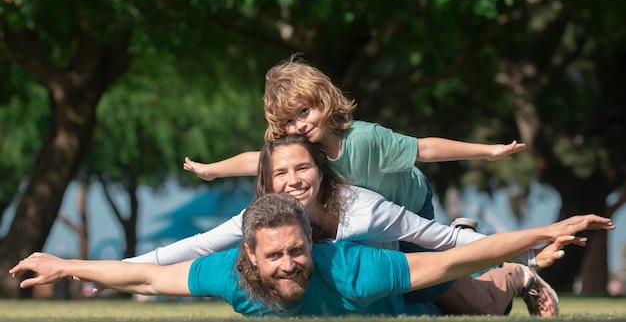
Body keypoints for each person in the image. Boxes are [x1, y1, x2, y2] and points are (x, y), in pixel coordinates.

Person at [130, 136, 554, 315]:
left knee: (480, 307)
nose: (293, 180)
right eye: (281, 173)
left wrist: (526, 252)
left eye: (303, 168)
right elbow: (195, 247)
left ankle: (517, 277)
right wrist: (121, 269)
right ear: (267, 181)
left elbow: (439, 238)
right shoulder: (261, 220)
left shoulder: (363, 208)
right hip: (371, 292)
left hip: (408, 259)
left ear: (321, 170)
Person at [10, 193, 613, 317]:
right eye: (275, 257)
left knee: (483, 303)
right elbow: (143, 273)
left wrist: (540, 232)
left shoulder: (348, 266)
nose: (290, 263)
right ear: (249, 255)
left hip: (404, 288)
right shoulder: (231, 276)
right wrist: (63, 265)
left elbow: (454, 260)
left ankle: (516, 279)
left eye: (296, 251)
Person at [184, 54, 526, 221]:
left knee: (430, 273)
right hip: (370, 215)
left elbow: (425, 148)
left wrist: (488, 152)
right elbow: (257, 159)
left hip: (411, 203)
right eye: (289, 121)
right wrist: (212, 169)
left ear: (323, 101)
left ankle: (460, 242)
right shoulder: (304, 153)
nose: (299, 126)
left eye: (304, 112)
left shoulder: (366, 138)